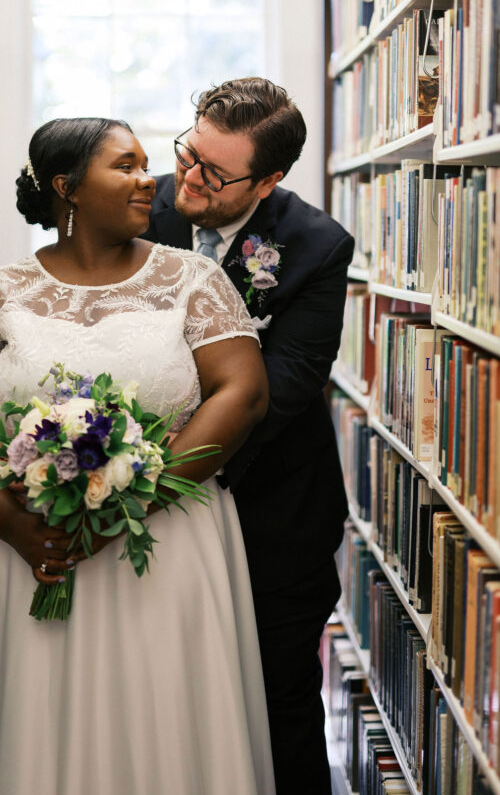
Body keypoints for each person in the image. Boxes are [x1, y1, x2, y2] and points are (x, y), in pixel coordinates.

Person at [0, 116, 276, 795]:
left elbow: (244, 392)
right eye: (127, 165)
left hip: (165, 541)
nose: (150, 179)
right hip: (33, 550)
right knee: (39, 729)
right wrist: (18, 526)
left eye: (148, 163)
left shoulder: (192, 279)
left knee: (166, 719)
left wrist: (139, 495)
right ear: (67, 187)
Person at [142, 77, 354, 795]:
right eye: (188, 153)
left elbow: (284, 383)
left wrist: (169, 443)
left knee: (278, 697)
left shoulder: (317, 245)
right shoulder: (139, 208)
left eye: (214, 172)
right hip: (146, 506)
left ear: (268, 181)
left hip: (274, 509)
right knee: (162, 694)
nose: (188, 179)